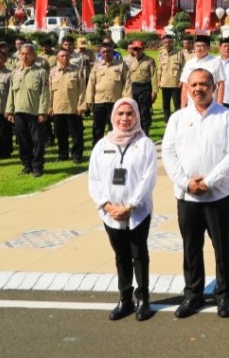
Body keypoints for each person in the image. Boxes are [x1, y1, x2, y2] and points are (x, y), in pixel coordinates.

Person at [161, 68, 229, 318]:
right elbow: (169, 154)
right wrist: (186, 183)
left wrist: (209, 181)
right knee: (191, 246)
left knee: (222, 246)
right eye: (193, 84)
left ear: (213, 87)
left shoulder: (228, 117)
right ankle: (193, 293)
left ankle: (224, 294)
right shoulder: (178, 118)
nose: (198, 89)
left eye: (204, 84)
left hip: (218, 195)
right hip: (187, 196)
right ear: (187, 88)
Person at [87, 98, 157, 321]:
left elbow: (148, 178)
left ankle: (143, 299)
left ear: (136, 116)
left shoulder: (144, 144)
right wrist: (106, 205)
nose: (125, 118)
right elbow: (94, 179)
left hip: (137, 211)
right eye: (120, 114)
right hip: (110, 213)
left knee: (139, 254)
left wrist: (130, 205)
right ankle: (125, 299)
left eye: (129, 114)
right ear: (113, 117)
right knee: (121, 255)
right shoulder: (103, 145)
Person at [5, 44, 51, 176]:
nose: (25, 56)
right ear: (19, 55)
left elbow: (45, 93)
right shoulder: (15, 72)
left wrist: (43, 112)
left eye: (28, 54)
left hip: (35, 112)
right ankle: (27, 165)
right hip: (19, 112)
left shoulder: (41, 72)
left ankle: (37, 166)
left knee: (37, 141)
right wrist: (9, 110)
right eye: (22, 54)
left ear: (34, 55)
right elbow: (11, 93)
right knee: (23, 140)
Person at [84, 40, 131, 145]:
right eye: (103, 52)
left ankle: (114, 144)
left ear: (112, 52)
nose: (106, 54)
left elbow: (127, 82)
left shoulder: (121, 65)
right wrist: (89, 99)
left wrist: (128, 100)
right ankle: (97, 146)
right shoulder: (96, 66)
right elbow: (91, 83)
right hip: (99, 101)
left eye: (108, 51)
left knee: (114, 124)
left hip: (115, 101)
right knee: (97, 125)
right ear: (101, 53)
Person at [49, 48, 86, 163]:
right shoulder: (52, 72)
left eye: (67, 56)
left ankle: (76, 155)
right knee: (60, 134)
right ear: (57, 58)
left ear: (70, 57)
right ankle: (63, 154)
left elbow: (82, 90)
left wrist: (81, 106)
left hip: (73, 108)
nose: (65, 58)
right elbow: (49, 91)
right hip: (58, 108)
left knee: (76, 134)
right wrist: (49, 107)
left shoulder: (77, 70)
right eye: (62, 56)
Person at [179, 35, 225, 108]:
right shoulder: (189, 63)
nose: (199, 49)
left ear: (209, 48)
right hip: (192, 105)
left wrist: (219, 105)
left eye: (202, 46)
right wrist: (183, 104)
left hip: (211, 105)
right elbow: (185, 85)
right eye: (197, 46)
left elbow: (221, 84)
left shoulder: (216, 62)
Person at [125, 40, 157, 134]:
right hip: (133, 88)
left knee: (144, 112)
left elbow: (154, 76)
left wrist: (154, 91)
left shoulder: (150, 60)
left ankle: (145, 133)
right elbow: (126, 77)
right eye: (135, 49)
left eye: (139, 49)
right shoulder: (128, 60)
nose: (137, 51)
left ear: (143, 49)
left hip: (145, 88)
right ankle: (134, 133)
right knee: (133, 111)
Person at [158, 33, 185, 124]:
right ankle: (167, 121)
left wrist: (182, 81)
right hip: (164, 83)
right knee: (165, 104)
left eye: (169, 42)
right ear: (163, 43)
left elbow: (183, 68)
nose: (167, 44)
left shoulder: (179, 53)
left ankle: (178, 121)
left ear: (172, 42)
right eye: (165, 42)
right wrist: (158, 81)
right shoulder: (161, 53)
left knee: (177, 104)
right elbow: (159, 69)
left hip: (176, 83)